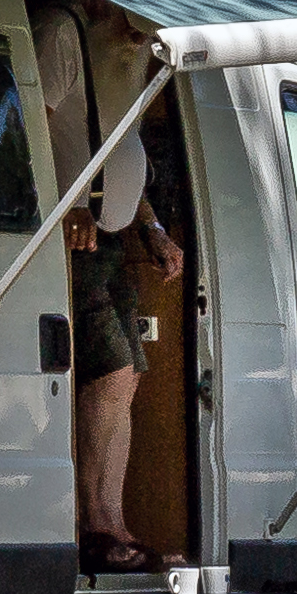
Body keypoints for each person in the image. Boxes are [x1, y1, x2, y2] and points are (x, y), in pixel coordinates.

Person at [69, 198, 185, 572]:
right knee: (111, 372)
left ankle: (114, 522)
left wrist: (153, 229)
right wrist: (73, 203)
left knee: (129, 374)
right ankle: (92, 526)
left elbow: (125, 176)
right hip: (78, 243)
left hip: (113, 244)